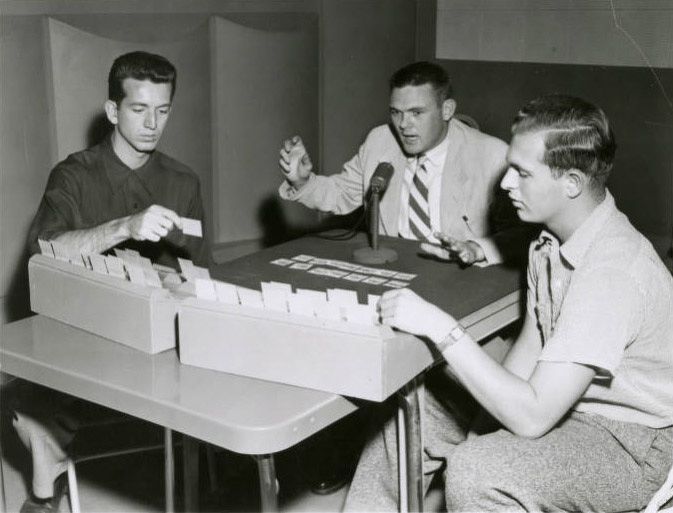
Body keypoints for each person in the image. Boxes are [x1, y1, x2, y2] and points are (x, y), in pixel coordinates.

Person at [344, 94, 673, 512]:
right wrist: (485, 424)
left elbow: (532, 416)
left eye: (521, 172)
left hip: (629, 441)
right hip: (566, 405)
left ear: (571, 183)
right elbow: (526, 362)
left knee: (479, 470)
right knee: (417, 409)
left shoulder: (613, 271)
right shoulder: (550, 244)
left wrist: (442, 329)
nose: (505, 184)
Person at [14, 50, 209, 513]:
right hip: (80, 333)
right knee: (31, 404)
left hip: (157, 339)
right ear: (112, 111)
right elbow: (42, 251)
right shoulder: (74, 175)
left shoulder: (183, 181)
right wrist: (126, 226)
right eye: (139, 109)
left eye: (162, 111)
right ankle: (45, 497)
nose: (152, 124)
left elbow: (201, 274)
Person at [279, 60, 526, 267]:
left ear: (447, 110)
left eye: (416, 113)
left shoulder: (491, 155)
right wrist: (302, 181)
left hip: (461, 272)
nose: (403, 125)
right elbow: (342, 193)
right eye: (396, 112)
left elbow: (521, 234)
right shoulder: (379, 141)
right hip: (393, 265)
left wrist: (475, 248)